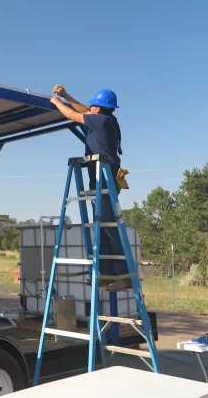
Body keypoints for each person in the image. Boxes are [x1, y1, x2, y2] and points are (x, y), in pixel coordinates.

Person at [49, 85, 131, 292]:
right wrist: (66, 95)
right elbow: (82, 110)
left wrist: (57, 102)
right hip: (101, 176)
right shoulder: (104, 119)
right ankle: (105, 273)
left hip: (104, 177)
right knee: (101, 227)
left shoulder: (101, 120)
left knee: (110, 227)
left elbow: (72, 114)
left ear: (98, 108)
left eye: (93, 104)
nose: (90, 107)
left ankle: (123, 275)